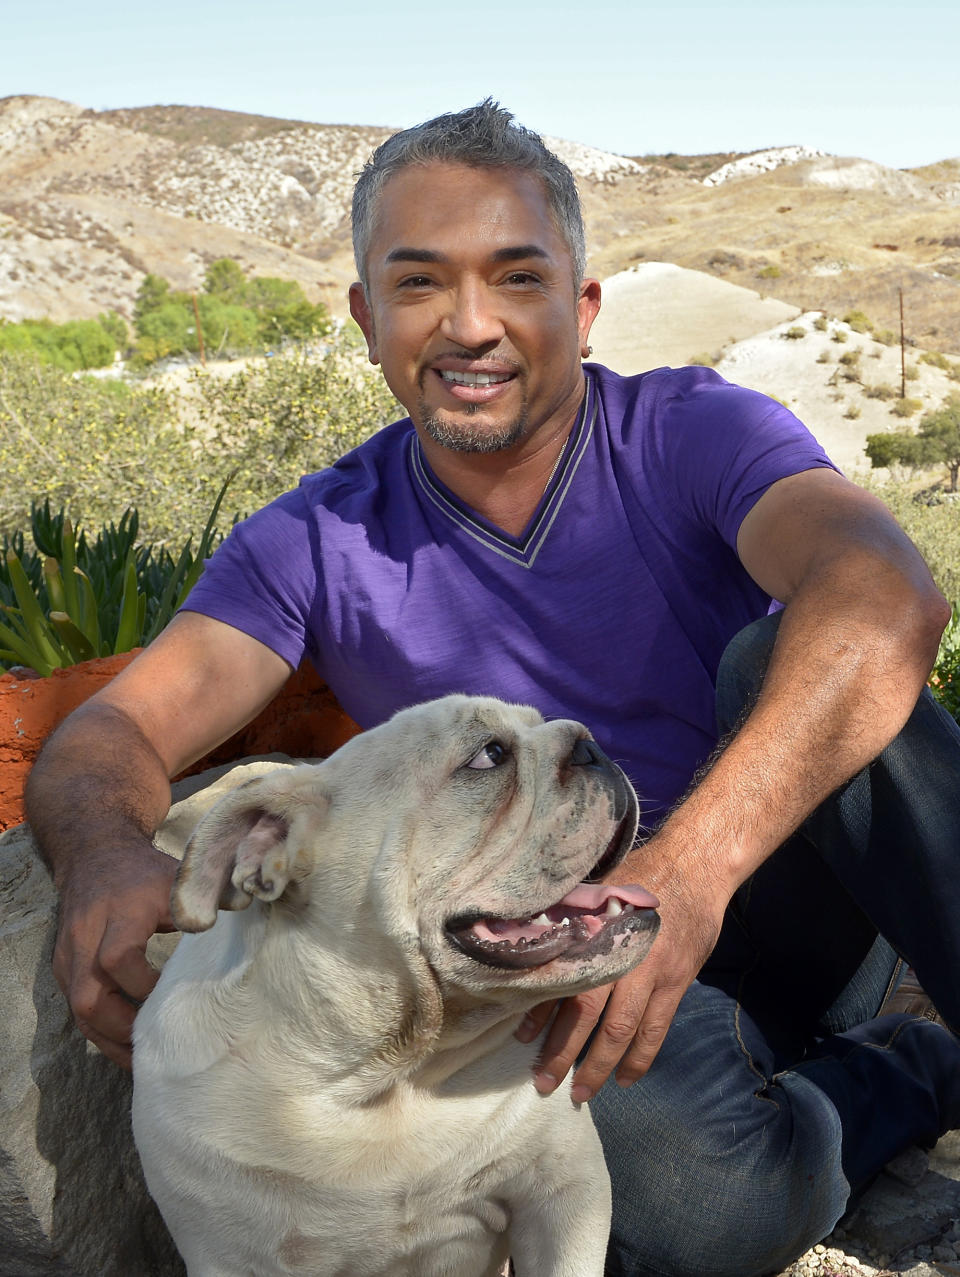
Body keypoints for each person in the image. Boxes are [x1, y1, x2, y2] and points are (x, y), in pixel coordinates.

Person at [27, 101, 960, 1276]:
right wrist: (106, 855)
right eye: (419, 285)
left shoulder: (692, 430)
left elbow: (889, 595)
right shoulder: (312, 538)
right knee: (690, 1210)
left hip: (784, 891)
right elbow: (113, 724)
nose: (472, 325)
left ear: (580, 306)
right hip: (549, 955)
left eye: (517, 277)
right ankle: (903, 1071)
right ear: (367, 319)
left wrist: (691, 868)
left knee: (790, 655)